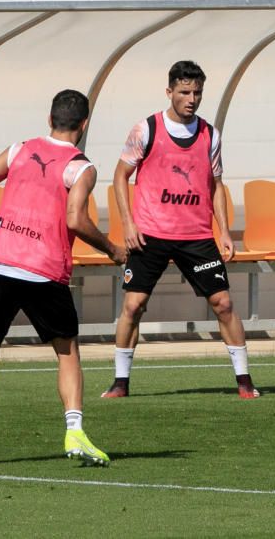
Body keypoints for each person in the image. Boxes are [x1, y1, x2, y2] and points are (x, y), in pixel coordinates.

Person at [0, 90, 126, 468]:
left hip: (2, 265)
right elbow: (75, 220)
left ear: (49, 119)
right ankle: (74, 432)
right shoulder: (81, 167)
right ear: (83, 124)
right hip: (44, 270)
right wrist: (112, 249)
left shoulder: (19, 149)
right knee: (66, 351)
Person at [100, 61, 259, 400]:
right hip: (150, 234)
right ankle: (120, 382)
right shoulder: (146, 129)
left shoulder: (210, 135)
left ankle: (245, 381)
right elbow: (119, 177)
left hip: (196, 236)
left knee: (224, 304)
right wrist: (128, 223)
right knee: (133, 306)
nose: (192, 99)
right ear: (169, 91)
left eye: (197, 92)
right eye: (185, 92)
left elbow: (216, 186)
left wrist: (225, 231)